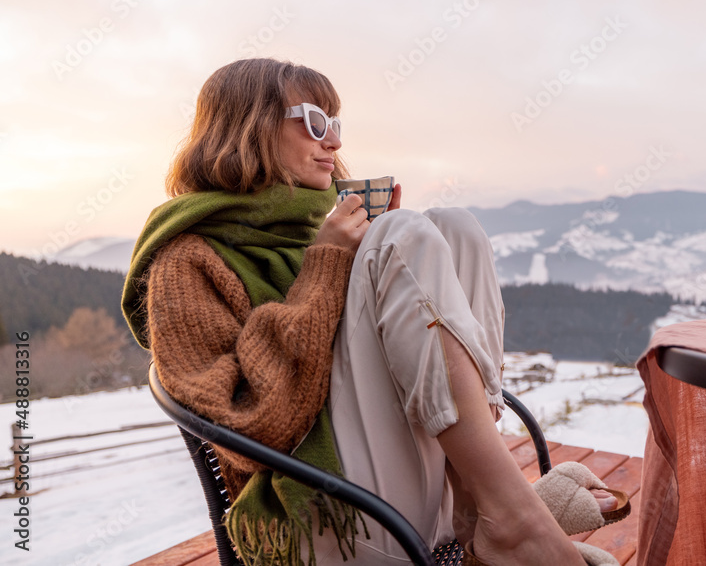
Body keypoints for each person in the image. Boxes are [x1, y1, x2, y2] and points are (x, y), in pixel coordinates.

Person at [122, 58, 622, 566]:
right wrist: (332, 264)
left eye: (335, 125)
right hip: (324, 516)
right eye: (315, 121)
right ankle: (514, 520)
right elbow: (252, 430)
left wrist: (374, 262)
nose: (334, 142)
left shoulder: (318, 228)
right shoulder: (186, 261)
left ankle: (483, 505)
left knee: (454, 228)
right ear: (247, 127)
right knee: (403, 235)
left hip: (417, 496)